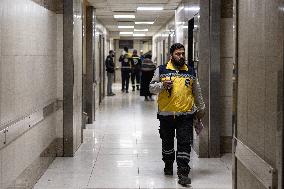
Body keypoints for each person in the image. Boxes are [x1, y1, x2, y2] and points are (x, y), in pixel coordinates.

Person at [149, 43, 205, 186]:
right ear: (171, 55)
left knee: (184, 143)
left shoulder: (190, 71)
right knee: (167, 143)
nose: (181, 56)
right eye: (177, 54)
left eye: (182, 54)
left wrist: (201, 109)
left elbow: (196, 92)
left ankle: (183, 172)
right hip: (166, 115)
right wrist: (162, 85)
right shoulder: (161, 70)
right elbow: (151, 88)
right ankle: (168, 164)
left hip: (185, 115)